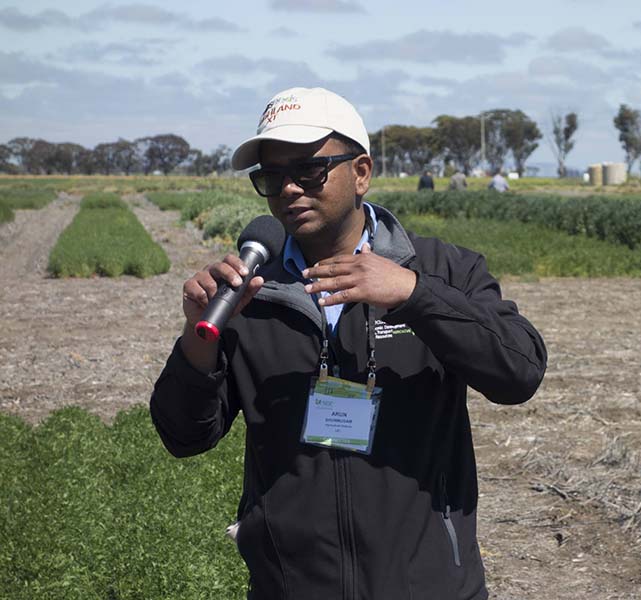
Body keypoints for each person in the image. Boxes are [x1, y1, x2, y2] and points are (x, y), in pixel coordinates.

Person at [150, 86, 546, 600]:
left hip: (428, 585)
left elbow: (520, 371)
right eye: (270, 176)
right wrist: (198, 337)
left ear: (361, 172)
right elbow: (185, 436)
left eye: (309, 170)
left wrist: (414, 295)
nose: (288, 188)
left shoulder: (444, 269)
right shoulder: (250, 294)